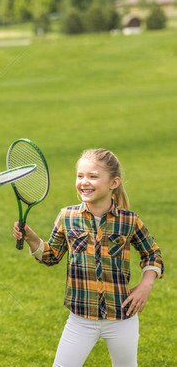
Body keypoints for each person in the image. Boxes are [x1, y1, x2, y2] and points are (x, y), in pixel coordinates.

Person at [12, 148, 164, 367]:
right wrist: (31, 237)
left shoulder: (129, 221)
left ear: (114, 183)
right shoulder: (67, 216)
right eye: (80, 176)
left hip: (122, 317)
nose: (84, 182)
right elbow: (51, 256)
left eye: (93, 176)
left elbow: (152, 253)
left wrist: (146, 284)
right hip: (80, 319)